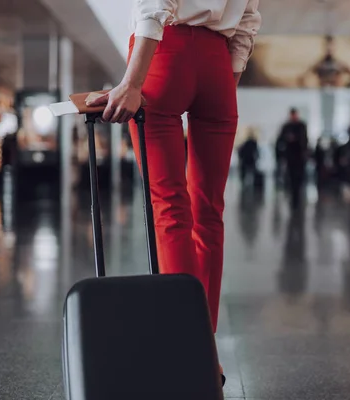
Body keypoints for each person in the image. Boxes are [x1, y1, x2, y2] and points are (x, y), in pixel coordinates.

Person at [85, 0, 261, 384]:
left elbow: (155, 5)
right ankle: (206, 354)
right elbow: (247, 21)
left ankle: (186, 351)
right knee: (209, 214)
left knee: (170, 210)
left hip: (164, 55)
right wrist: (220, 85)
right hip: (218, 65)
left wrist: (131, 82)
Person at [278, 108, 309, 208]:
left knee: (298, 178)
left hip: (299, 157)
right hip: (291, 157)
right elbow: (280, 140)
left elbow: (304, 140)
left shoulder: (301, 126)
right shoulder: (287, 126)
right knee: (291, 177)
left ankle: (297, 196)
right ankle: (294, 197)